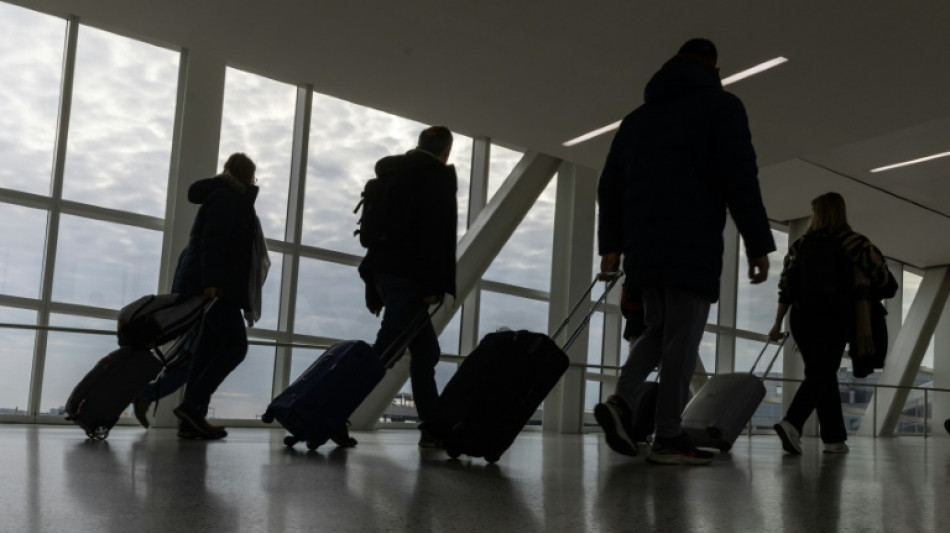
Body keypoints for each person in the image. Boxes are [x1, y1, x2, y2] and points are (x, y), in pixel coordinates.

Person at [594, 38, 776, 465]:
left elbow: (610, 184)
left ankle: (622, 400)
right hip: (691, 241)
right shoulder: (721, 106)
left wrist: (612, 245)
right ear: (714, 68)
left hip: (643, 247)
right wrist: (757, 243)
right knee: (683, 338)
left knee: (659, 329)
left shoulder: (636, 120)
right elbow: (740, 176)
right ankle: (668, 435)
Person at [358, 126, 458, 448]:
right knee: (385, 352)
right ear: (446, 150)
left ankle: (432, 428)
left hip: (384, 274)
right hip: (410, 279)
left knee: (426, 352)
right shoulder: (434, 177)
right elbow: (432, 236)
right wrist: (432, 284)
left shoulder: (396, 171)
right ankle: (332, 412)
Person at [769, 192, 891, 455]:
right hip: (836, 316)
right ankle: (792, 422)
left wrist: (777, 323)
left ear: (816, 214)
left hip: (802, 318)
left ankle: (834, 438)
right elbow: (885, 281)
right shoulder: (856, 243)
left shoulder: (800, 245)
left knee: (821, 371)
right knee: (822, 372)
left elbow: (785, 288)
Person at [161, 152, 262, 440]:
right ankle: (192, 408)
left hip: (207, 283)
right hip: (215, 287)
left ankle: (191, 420)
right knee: (235, 347)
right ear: (248, 175)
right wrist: (212, 282)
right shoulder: (228, 198)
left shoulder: (221, 195)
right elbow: (214, 242)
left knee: (207, 349)